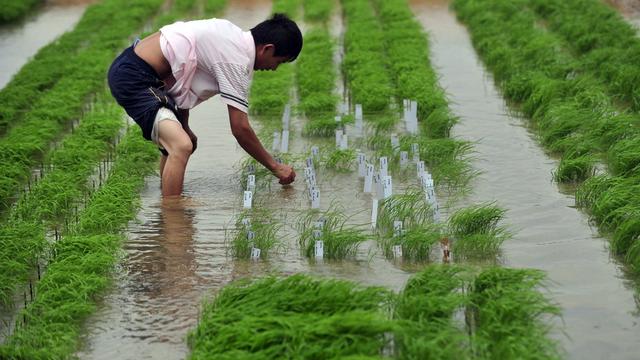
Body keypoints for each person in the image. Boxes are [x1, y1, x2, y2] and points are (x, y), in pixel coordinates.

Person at [108, 13, 301, 197]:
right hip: (135, 78)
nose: (275, 68)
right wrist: (275, 167)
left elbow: (184, 82)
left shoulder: (230, 34)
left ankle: (166, 203)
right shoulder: (235, 59)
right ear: (267, 48)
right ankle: (172, 216)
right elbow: (240, 128)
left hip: (141, 71)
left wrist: (185, 125)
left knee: (181, 143)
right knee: (180, 145)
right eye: (279, 61)